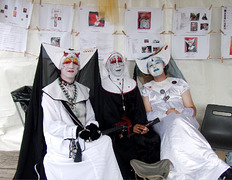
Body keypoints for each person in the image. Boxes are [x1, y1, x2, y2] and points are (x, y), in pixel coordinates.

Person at [13, 43, 122, 180]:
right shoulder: (49, 93)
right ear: (60, 66)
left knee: (105, 141)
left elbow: (90, 117)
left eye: (75, 63)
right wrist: (75, 131)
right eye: (67, 62)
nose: (71, 66)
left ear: (79, 68)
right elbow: (52, 125)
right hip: (62, 141)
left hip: (83, 137)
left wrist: (92, 127)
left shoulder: (82, 90)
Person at [136, 45, 232, 180]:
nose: (155, 66)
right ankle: (183, 173)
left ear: (164, 64)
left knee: (178, 122)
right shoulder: (146, 89)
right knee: (175, 123)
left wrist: (177, 112)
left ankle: (215, 166)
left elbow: (192, 110)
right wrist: (166, 114)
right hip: (161, 122)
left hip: (183, 118)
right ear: (147, 70)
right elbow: (148, 114)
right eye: (150, 65)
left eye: (157, 62)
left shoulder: (179, 83)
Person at [99, 51, 162, 179]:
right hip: (116, 130)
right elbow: (106, 116)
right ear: (107, 66)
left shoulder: (132, 84)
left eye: (120, 61)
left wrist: (142, 125)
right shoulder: (103, 86)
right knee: (125, 144)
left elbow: (139, 109)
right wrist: (128, 128)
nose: (117, 65)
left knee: (152, 138)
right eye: (113, 62)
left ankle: (150, 175)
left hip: (135, 126)